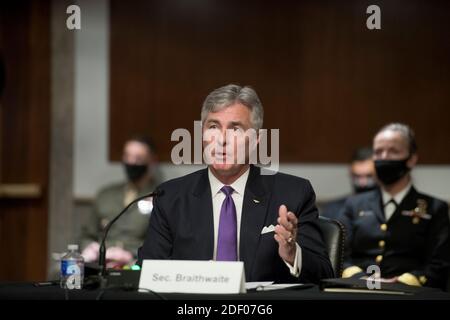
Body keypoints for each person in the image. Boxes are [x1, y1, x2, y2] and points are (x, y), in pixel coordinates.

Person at [138, 84, 333, 283]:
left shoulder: (293, 194)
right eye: (213, 127)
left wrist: (292, 254)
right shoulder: (170, 197)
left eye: (235, 129)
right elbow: (149, 272)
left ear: (256, 139)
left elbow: (325, 273)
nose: (222, 140)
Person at [341, 123, 450, 289]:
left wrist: (402, 283)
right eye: (378, 152)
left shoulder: (435, 208)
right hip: (358, 289)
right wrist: (361, 279)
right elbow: (340, 254)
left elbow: (439, 263)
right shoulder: (355, 204)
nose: (384, 157)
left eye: (394, 151)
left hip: (411, 293)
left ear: (411, 159)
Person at [80, 136, 161, 268]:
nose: (131, 162)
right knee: (60, 271)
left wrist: (130, 254)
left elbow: (161, 244)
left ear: (151, 161)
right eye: (127, 156)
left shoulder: (160, 197)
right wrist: (90, 248)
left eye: (138, 158)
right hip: (101, 259)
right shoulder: (106, 195)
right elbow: (87, 234)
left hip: (136, 262)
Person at [321, 147, 376, 220]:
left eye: (369, 176)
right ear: (350, 173)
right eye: (357, 176)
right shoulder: (334, 209)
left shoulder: (388, 208)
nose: (362, 183)